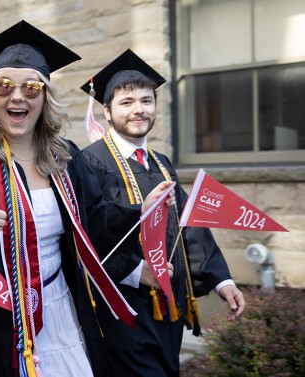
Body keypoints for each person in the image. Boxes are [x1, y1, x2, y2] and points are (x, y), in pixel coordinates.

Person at [0, 21, 174, 377]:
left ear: (45, 97)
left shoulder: (65, 158)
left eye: (31, 87)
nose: (17, 97)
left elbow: (95, 222)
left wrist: (141, 213)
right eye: (4, 86)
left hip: (57, 303)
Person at [80, 48, 245, 376]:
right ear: (107, 112)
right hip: (121, 311)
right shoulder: (89, 163)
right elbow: (85, 234)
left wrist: (220, 279)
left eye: (146, 100)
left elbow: (187, 224)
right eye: (127, 103)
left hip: (167, 309)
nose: (138, 110)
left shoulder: (160, 162)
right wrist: (133, 271)